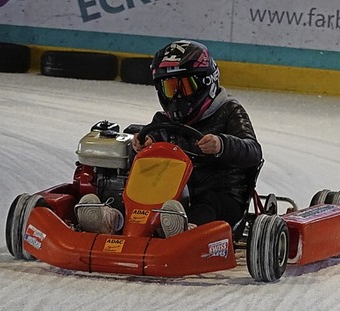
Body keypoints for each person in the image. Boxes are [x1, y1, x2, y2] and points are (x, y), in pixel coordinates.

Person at [77, 40, 263, 238]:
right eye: (169, 88)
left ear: (207, 82)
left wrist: (222, 145)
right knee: (141, 184)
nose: (176, 96)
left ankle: (186, 229)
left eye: (184, 87)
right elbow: (153, 138)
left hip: (220, 193)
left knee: (208, 201)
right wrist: (143, 143)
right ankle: (116, 219)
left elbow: (253, 151)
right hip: (173, 194)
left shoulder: (229, 112)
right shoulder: (163, 120)